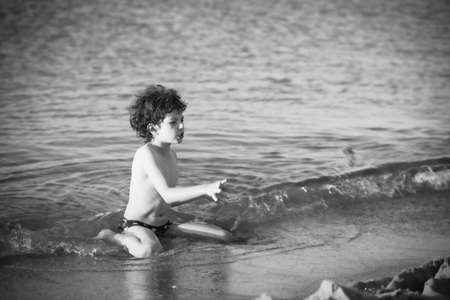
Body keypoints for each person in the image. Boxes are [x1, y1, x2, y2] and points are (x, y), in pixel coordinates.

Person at [95, 84, 232, 258]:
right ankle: (113, 236)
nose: (181, 127)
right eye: (173, 122)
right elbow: (168, 194)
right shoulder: (146, 154)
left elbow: (167, 201)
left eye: (182, 120)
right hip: (137, 224)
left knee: (224, 237)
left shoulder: (172, 155)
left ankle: (160, 235)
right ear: (153, 128)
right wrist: (204, 189)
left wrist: (205, 195)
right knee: (149, 250)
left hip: (164, 225)